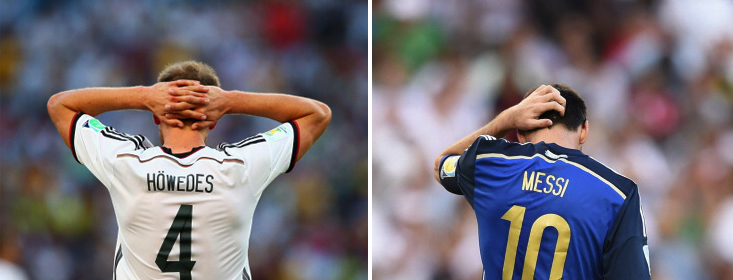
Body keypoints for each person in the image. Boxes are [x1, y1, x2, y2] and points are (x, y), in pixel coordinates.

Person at [47, 61, 331, 279]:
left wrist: (143, 96)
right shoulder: (240, 167)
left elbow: (60, 106)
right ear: (214, 121)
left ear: (156, 118)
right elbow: (317, 114)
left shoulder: (126, 162)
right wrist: (231, 101)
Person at [434, 84, 650, 279]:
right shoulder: (616, 193)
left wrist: (505, 120)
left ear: (519, 132)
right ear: (584, 131)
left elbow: (441, 165)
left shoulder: (491, 163)